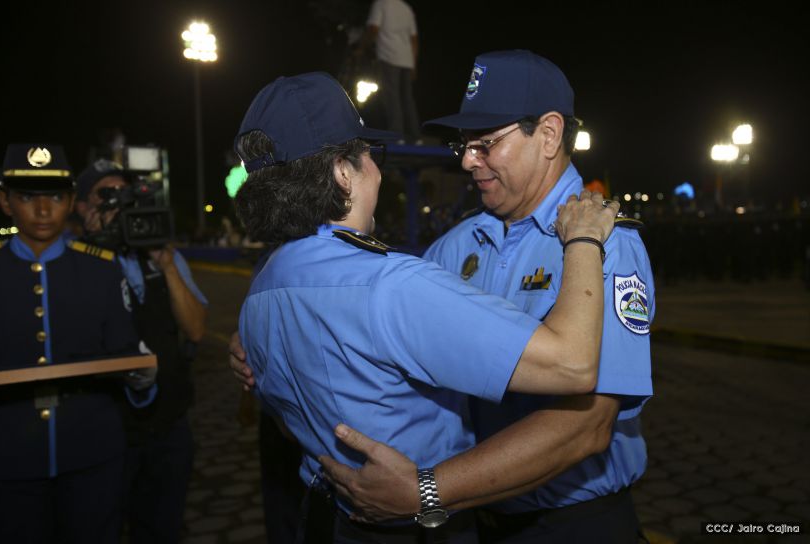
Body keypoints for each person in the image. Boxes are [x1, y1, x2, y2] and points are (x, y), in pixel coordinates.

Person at [232, 70, 619, 542]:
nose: (378, 170)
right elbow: (575, 364)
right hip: (416, 524)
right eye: (371, 155)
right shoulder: (388, 284)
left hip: (328, 514)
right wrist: (582, 238)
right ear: (341, 172)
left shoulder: (261, 291)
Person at [320, 50, 655, 543]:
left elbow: (587, 427)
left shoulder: (605, 242)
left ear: (548, 135)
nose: (466, 160)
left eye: (485, 144)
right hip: (476, 520)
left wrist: (426, 492)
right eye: (463, 143)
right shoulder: (454, 247)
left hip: (575, 526)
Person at [0, 143, 156, 543]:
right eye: (29, 197)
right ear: (5, 201)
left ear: (70, 201)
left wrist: (142, 378)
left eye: (54, 196)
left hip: (91, 453)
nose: (44, 209)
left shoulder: (101, 268)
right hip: (8, 458)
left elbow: (125, 351)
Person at [75, 158, 208, 542]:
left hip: (168, 425)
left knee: (162, 528)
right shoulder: (75, 260)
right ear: (82, 207)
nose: (119, 203)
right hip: (104, 430)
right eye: (107, 195)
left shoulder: (160, 253)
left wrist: (165, 264)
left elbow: (197, 330)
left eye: (126, 194)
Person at [357, 0, 422, 144]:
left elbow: (373, 28)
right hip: (406, 59)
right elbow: (414, 39)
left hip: (389, 57)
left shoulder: (381, 4)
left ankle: (397, 137)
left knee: (391, 97)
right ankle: (416, 137)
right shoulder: (406, 8)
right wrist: (414, 64)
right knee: (407, 98)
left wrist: (362, 47)